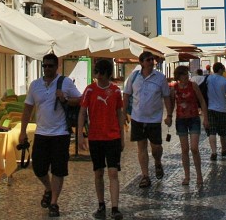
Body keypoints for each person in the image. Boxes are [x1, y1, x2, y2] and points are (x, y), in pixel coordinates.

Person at [19, 54, 82, 217]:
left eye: (50, 66)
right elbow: (27, 109)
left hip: (60, 133)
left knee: (58, 170)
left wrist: (66, 98)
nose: (47, 68)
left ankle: (54, 202)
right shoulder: (35, 85)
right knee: (39, 168)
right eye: (45, 66)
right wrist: (22, 131)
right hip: (41, 133)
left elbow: (81, 100)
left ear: (56, 66)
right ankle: (48, 188)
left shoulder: (65, 82)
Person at [78, 59, 125, 220]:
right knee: (98, 172)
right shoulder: (89, 90)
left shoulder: (116, 91)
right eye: (97, 73)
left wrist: (122, 137)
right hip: (95, 137)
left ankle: (115, 207)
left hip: (112, 137)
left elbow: (120, 114)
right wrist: (80, 135)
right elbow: (82, 113)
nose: (99, 76)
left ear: (107, 74)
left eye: (101, 73)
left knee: (113, 172)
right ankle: (101, 204)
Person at [123, 51, 173, 188]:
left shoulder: (160, 78)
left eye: (152, 60)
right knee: (141, 147)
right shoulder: (134, 77)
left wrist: (169, 115)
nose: (151, 62)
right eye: (148, 60)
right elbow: (127, 95)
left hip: (154, 119)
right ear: (142, 63)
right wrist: (123, 113)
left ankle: (157, 161)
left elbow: (166, 97)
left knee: (156, 147)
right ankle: (145, 176)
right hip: (138, 117)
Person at [170, 65, 209, 186]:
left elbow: (202, 101)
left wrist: (205, 118)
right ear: (178, 77)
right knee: (185, 150)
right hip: (181, 120)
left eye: (187, 74)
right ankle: (187, 176)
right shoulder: (174, 88)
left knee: (194, 148)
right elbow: (171, 105)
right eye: (183, 74)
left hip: (194, 119)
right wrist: (169, 117)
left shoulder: (193, 86)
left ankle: (199, 174)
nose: (186, 76)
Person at [204, 61, 226, 161]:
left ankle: (213, 152)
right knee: (223, 131)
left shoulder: (208, 78)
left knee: (212, 131)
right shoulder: (225, 81)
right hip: (222, 109)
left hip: (211, 109)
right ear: (220, 69)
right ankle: (224, 149)